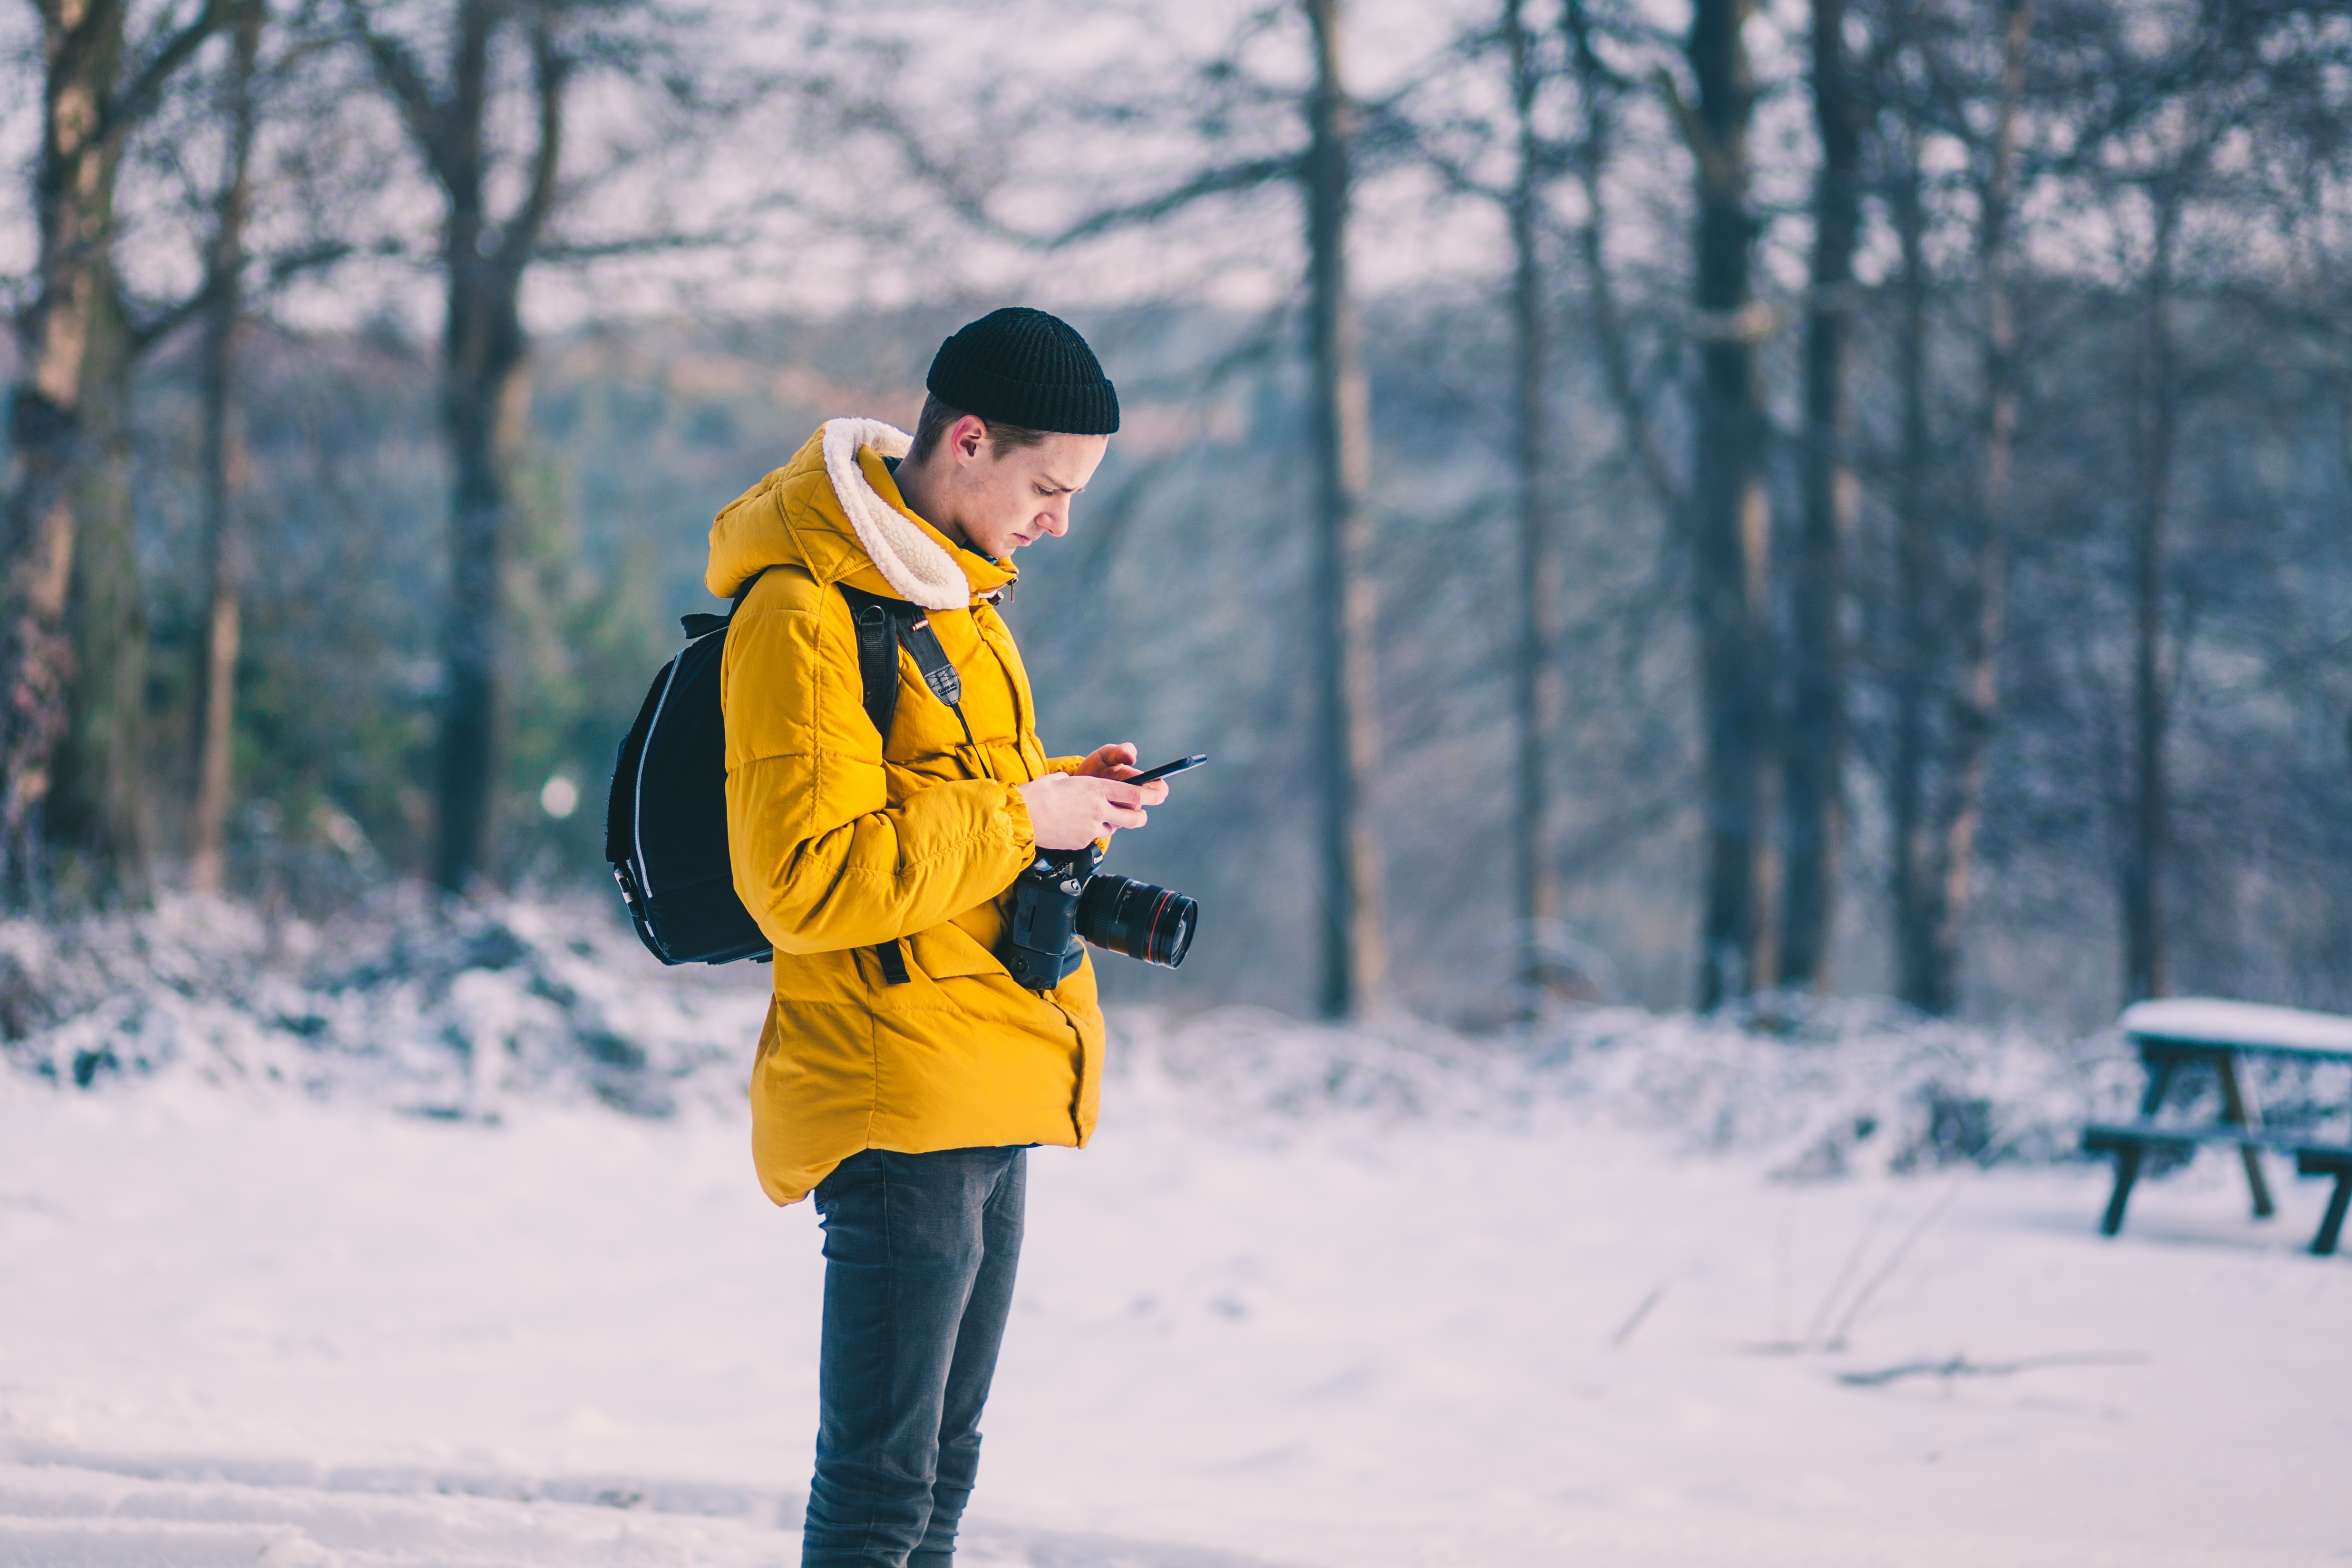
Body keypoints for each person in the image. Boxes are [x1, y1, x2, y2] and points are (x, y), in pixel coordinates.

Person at [706, 307, 1167, 1568]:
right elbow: (804, 879)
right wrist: (1028, 811)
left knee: (941, 1475)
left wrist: (1074, 795)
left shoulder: (952, 598)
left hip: (986, 1066)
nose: (1057, 521)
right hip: (893, 1088)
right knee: (877, 1489)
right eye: (1047, 485)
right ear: (968, 440)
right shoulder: (800, 615)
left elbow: (945, 815)